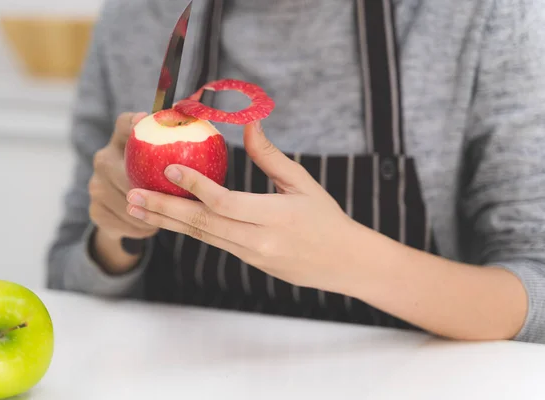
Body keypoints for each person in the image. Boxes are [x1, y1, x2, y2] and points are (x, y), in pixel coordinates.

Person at [47, 0, 545, 344]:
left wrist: (358, 262)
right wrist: (117, 233)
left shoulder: (482, 15)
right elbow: (68, 278)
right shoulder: (138, 17)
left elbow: (535, 292)